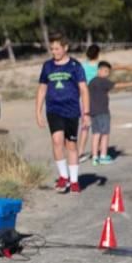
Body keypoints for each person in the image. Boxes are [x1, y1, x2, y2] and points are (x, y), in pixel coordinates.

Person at [35, 32, 90, 194]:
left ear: (65, 48)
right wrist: (38, 112)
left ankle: (74, 181)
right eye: (52, 49)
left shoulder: (75, 66)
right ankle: (63, 177)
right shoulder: (47, 66)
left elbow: (84, 90)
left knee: (71, 145)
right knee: (57, 140)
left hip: (72, 110)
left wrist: (86, 113)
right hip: (54, 109)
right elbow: (42, 89)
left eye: (57, 49)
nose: (54, 52)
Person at [77, 44, 132, 162]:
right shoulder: (102, 67)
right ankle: (99, 152)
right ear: (98, 54)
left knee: (85, 127)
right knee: (101, 128)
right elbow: (123, 67)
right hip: (99, 102)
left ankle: (81, 152)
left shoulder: (83, 66)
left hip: (84, 99)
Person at [88, 61, 132, 165]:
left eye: (108, 72)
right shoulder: (103, 81)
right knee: (105, 134)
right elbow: (117, 86)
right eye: (106, 71)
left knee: (96, 134)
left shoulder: (92, 82)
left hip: (93, 112)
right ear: (100, 70)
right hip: (103, 111)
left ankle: (95, 157)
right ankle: (103, 155)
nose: (107, 74)